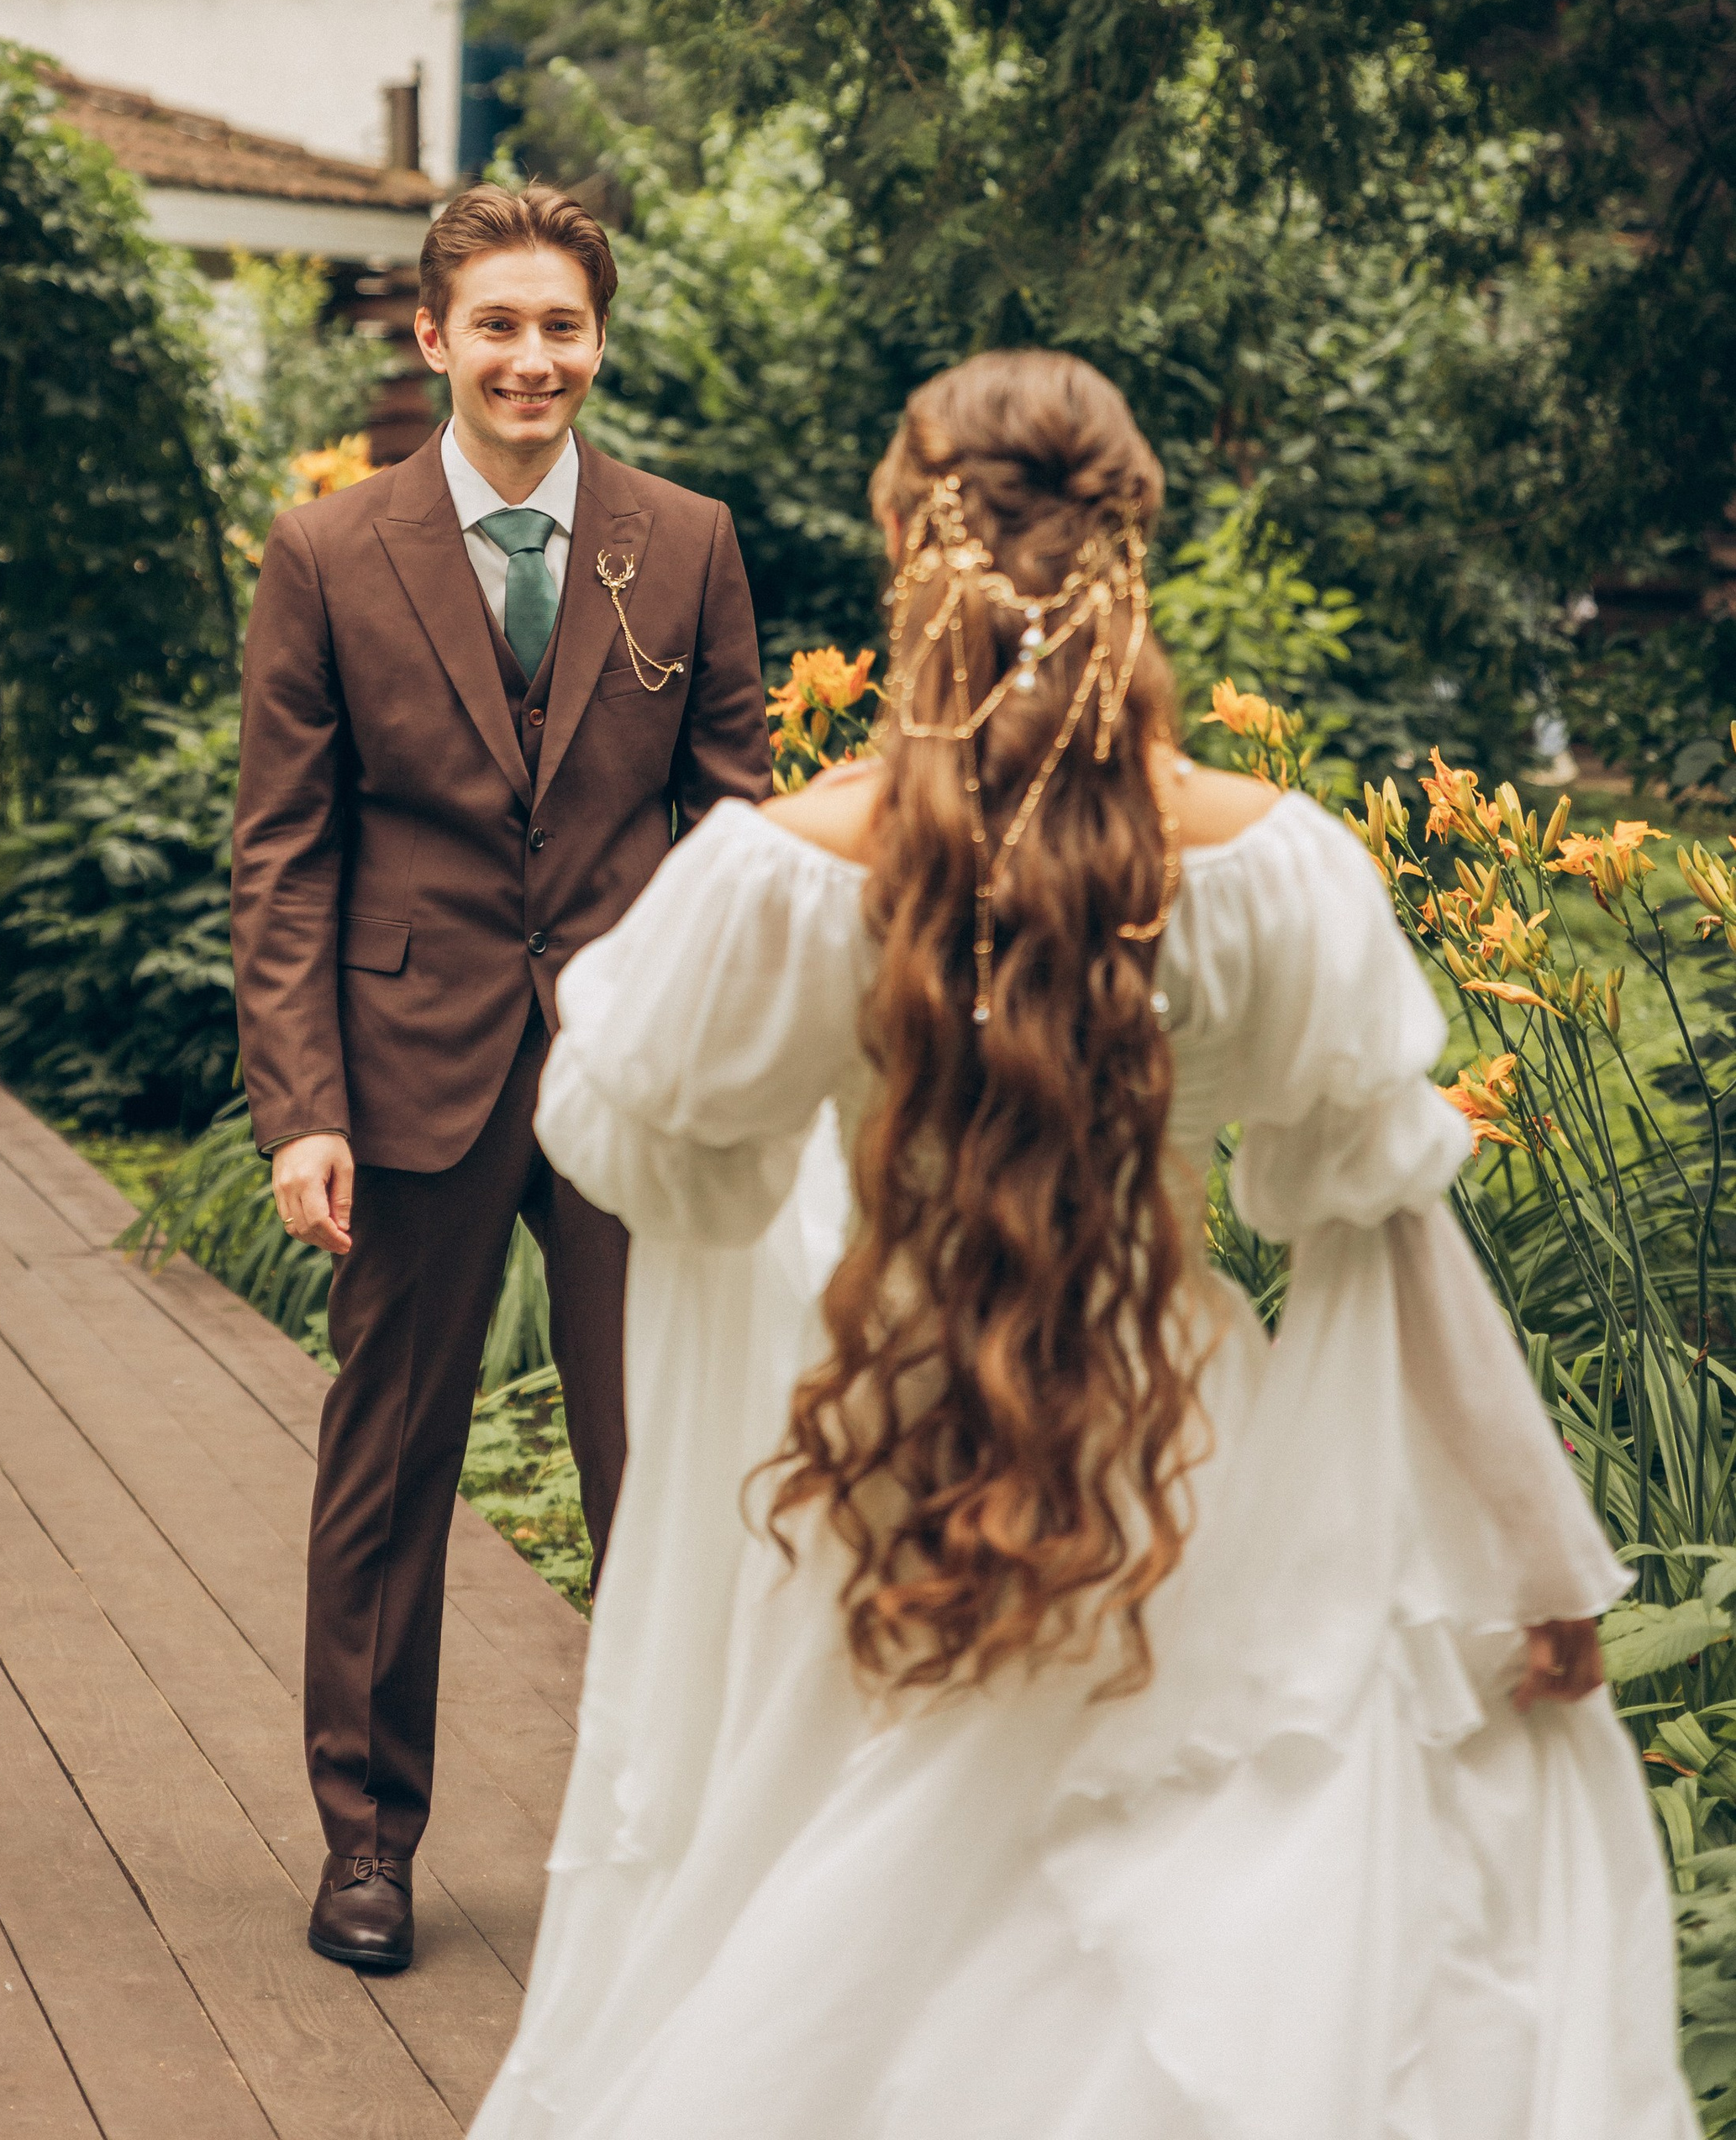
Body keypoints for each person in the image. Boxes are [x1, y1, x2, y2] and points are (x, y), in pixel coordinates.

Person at [474, 348, 1691, 2139]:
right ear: (1134, 549)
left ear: (905, 543)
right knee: (1151, 1940)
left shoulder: (784, 877)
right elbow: (1383, 1227)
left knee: (835, 1918)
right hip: (1176, 1467)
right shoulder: (1279, 874)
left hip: (872, 1466)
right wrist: (1525, 1547)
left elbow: (655, 1158)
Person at [231, 181, 772, 1978]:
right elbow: (284, 851)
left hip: (635, 1072)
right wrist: (302, 1101)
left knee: (666, 1466)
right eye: (497, 325)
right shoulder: (327, 554)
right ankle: (366, 1846)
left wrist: (739, 1055)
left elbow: (736, 824)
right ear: (432, 339)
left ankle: (662, 1842)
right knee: (388, 1463)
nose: (530, 358)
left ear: (595, 337)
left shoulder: (684, 540)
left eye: (561, 326)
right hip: (409, 1071)